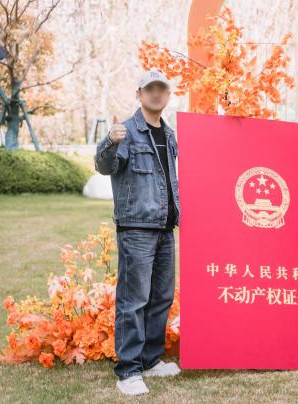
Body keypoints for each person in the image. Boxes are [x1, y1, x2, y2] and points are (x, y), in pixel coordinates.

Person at [94, 69, 181, 396]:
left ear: (167, 95)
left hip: (165, 228)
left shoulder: (169, 135)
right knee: (134, 300)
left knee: (161, 298)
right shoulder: (126, 131)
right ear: (139, 94)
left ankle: (149, 359)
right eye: (150, 89)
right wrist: (110, 141)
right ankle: (128, 370)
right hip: (137, 229)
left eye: (162, 89)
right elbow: (104, 166)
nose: (156, 94)